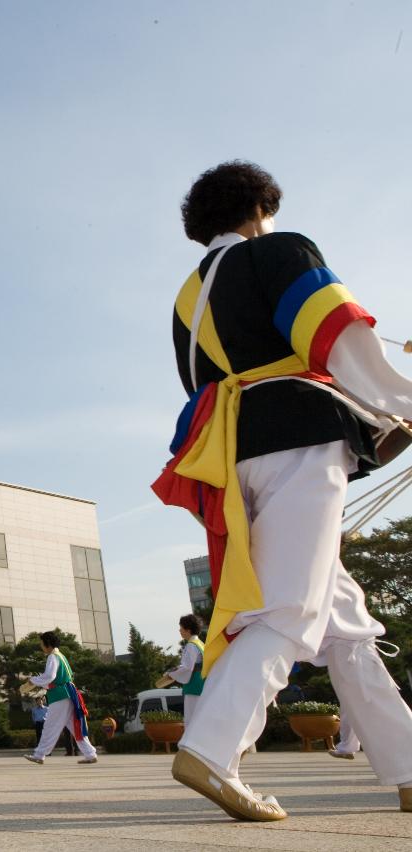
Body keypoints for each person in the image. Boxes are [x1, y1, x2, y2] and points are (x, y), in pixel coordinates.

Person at [154, 161, 412, 820]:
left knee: (344, 624)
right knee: (291, 612)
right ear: (258, 210)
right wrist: (396, 400)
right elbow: (335, 334)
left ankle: (409, 765)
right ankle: (213, 748)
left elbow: (214, 384)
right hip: (298, 442)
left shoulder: (186, 298)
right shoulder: (278, 249)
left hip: (231, 455)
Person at [23, 632, 98, 765]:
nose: (41, 647)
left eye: (42, 644)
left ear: (48, 643)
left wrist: (32, 681)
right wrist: (36, 682)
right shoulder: (61, 656)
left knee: (50, 725)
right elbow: (52, 679)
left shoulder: (53, 657)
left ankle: (39, 754)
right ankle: (90, 753)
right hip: (68, 693)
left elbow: (49, 676)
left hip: (60, 695)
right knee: (74, 727)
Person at [165, 614, 206, 719]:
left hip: (194, 686)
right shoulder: (201, 643)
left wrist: (171, 674)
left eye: (181, 627)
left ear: (188, 629)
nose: (179, 630)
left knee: (192, 720)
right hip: (203, 684)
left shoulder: (191, 645)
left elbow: (187, 668)